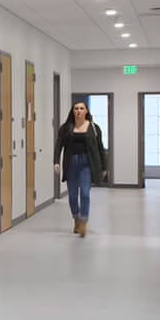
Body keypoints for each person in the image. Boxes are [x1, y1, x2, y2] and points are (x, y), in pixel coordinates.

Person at [54, 101, 108, 238]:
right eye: (76, 108)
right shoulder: (65, 128)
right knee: (72, 196)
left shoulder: (94, 128)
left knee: (84, 193)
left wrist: (104, 166)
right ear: (73, 111)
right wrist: (56, 162)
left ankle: (83, 221)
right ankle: (76, 218)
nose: (78, 111)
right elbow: (58, 145)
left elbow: (100, 148)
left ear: (86, 111)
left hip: (86, 164)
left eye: (81, 108)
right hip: (71, 163)